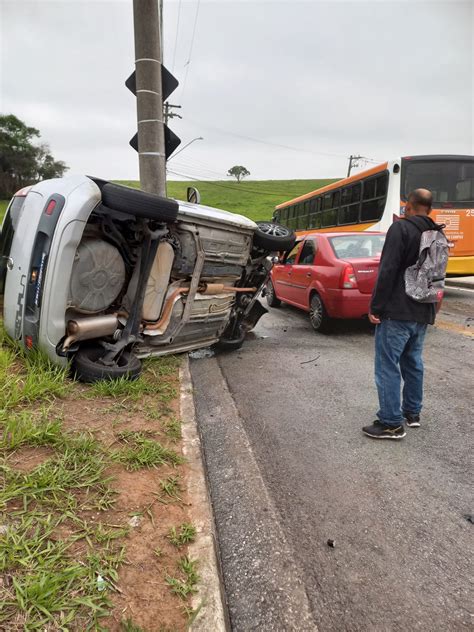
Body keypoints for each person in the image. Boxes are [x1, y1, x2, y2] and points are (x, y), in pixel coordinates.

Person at [362, 188, 444, 440]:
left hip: (397, 310)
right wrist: (435, 306)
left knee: (387, 365)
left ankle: (390, 423)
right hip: (424, 308)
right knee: (413, 362)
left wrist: (375, 307)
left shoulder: (401, 229)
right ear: (429, 209)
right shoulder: (438, 233)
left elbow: (388, 269)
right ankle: (412, 413)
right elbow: (440, 275)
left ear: (408, 206)